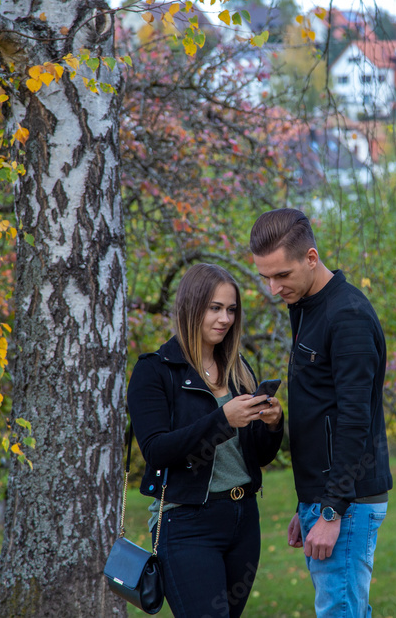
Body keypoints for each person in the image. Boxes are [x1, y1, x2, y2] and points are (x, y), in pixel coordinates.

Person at [249, 208, 393, 618]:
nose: (274, 288)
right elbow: (321, 412)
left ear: (311, 258)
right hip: (327, 499)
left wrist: (330, 510)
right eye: (265, 277)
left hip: (347, 502)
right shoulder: (308, 306)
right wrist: (308, 504)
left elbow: (354, 422)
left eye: (282, 275)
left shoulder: (347, 317)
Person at [127, 263, 284, 617]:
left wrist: (273, 424)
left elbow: (258, 456)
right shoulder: (155, 371)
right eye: (215, 308)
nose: (225, 319)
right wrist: (222, 420)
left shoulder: (238, 369)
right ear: (191, 307)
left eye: (231, 309)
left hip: (244, 520)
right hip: (187, 523)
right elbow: (156, 450)